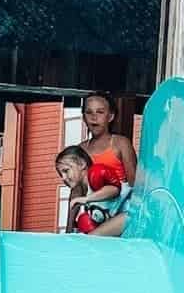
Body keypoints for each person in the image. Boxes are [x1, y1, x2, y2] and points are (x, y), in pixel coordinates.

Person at [78, 93, 139, 239]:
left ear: (110, 117)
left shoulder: (120, 143)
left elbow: (137, 185)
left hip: (120, 212)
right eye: (89, 112)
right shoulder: (81, 149)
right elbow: (77, 191)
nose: (94, 117)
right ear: (84, 117)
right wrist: (68, 229)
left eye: (100, 112)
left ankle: (93, 237)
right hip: (95, 214)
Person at [56, 144, 129, 235]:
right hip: (120, 221)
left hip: (131, 214)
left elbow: (114, 190)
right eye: (60, 174)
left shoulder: (95, 174)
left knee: (91, 237)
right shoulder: (86, 193)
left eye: (66, 171)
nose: (63, 178)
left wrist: (86, 199)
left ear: (82, 164)